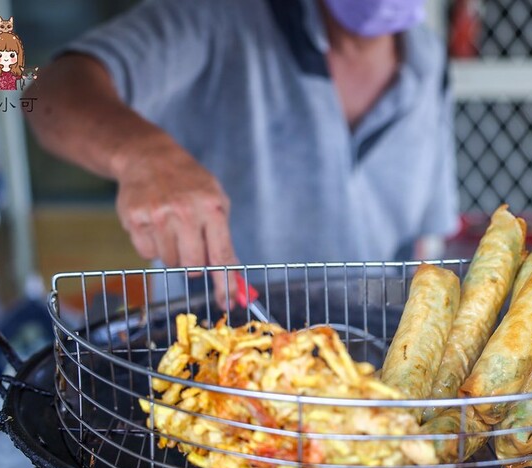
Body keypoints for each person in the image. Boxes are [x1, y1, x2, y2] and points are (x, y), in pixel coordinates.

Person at [25, 0, 458, 303]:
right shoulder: (217, 17)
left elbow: (419, 241)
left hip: (370, 383)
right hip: (222, 378)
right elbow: (50, 94)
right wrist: (143, 155)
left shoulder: (428, 60)